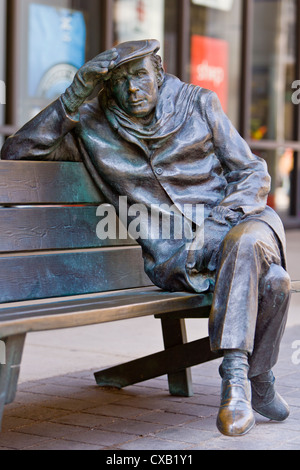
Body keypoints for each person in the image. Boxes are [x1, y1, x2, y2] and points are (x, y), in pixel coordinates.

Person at [1, 39, 291, 437]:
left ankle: (235, 381)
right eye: (119, 81)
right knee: (273, 282)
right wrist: (73, 95)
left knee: (243, 244)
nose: (132, 90)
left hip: (241, 224)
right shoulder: (92, 124)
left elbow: (253, 173)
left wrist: (218, 222)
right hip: (178, 260)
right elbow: (17, 151)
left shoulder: (199, 104)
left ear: (158, 70)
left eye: (139, 75)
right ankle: (261, 381)